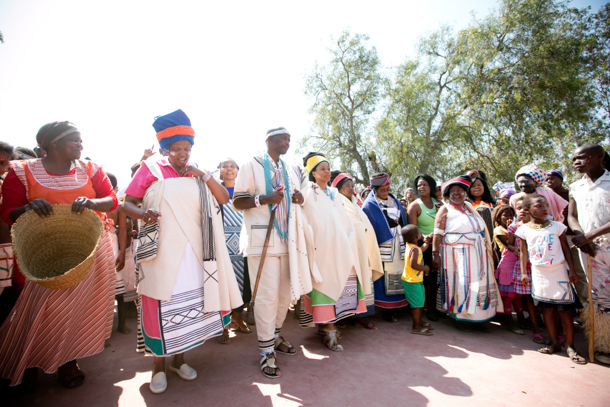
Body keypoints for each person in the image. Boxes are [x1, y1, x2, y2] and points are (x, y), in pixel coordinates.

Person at [123, 110, 242, 394]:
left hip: (195, 252)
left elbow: (224, 199)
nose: (182, 154)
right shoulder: (150, 169)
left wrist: (204, 175)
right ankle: (157, 368)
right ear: (164, 150)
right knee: (162, 306)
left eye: (186, 149)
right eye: (176, 149)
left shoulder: (198, 172)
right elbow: (126, 203)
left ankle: (179, 360)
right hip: (163, 254)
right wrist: (143, 213)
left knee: (190, 306)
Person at [0, 121, 118, 388]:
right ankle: (29, 360)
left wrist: (92, 203)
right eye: (74, 140)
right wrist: (28, 208)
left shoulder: (90, 169)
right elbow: (7, 211)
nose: (80, 145)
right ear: (53, 144)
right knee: (43, 308)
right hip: (44, 250)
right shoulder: (22, 171)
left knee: (76, 310)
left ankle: (67, 361)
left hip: (89, 249)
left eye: (81, 140)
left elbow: (111, 200)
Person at [232, 127, 312, 379]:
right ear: (269, 140)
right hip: (262, 240)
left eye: (289, 138)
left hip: (289, 241)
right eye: (282, 138)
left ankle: (275, 337)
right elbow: (237, 201)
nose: (287, 141)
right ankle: (266, 350)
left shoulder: (291, 169)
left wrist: (299, 198)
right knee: (266, 296)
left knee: (282, 297)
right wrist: (262, 199)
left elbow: (302, 199)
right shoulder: (251, 165)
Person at [298, 154, 367, 351]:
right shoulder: (307, 193)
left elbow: (342, 219)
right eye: (322, 169)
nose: (327, 172)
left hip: (342, 246)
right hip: (321, 249)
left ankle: (328, 327)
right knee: (324, 283)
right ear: (313, 173)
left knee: (340, 282)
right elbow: (307, 217)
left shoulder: (335, 193)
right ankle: (328, 330)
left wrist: (350, 237)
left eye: (329, 168)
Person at [515, 194, 585, 364]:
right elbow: (523, 252)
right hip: (539, 274)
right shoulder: (523, 230)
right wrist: (524, 272)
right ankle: (554, 342)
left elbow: (566, 249)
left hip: (559, 272)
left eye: (545, 205)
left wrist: (572, 271)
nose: (544, 208)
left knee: (565, 310)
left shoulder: (557, 227)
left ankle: (570, 346)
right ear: (527, 210)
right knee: (547, 310)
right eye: (539, 206)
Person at [432, 175, 501, 331]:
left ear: (465, 192)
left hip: (477, 253)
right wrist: (436, 253)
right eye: (453, 191)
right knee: (460, 284)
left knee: (478, 283)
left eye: (460, 191)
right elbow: (437, 233)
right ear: (448, 195)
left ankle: (478, 318)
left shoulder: (470, 207)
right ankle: (460, 318)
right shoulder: (445, 208)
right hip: (456, 255)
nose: (457, 194)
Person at [568, 144, 610, 365]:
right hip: (590, 250)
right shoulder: (575, 187)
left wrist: (591, 234)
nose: (577, 162)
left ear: (599, 156)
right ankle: (604, 344)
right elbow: (571, 216)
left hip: (603, 242)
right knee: (599, 296)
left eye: (581, 158)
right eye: (574, 159)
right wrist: (580, 236)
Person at [331, 171, 383, 330]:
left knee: (363, 283)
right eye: (347, 186)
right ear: (338, 188)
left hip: (362, 250)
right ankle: (342, 316)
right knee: (347, 284)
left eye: (352, 186)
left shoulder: (355, 203)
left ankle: (360, 316)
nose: (351, 188)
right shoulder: (335, 203)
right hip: (347, 251)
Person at [362, 173, 408, 323]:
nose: (385, 192)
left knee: (399, 272)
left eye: (387, 189)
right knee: (384, 274)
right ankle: (386, 309)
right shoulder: (370, 205)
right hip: (382, 245)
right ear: (374, 189)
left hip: (398, 242)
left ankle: (398, 306)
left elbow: (402, 219)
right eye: (382, 190)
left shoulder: (394, 200)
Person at [217, 157, 252, 345]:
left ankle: (238, 319)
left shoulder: (244, 190)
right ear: (220, 171)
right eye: (225, 166)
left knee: (244, 282)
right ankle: (222, 326)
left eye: (232, 166)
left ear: (238, 171)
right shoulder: (214, 191)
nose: (229, 169)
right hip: (222, 243)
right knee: (223, 284)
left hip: (243, 241)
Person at [545, 169, 588, 302]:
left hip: (571, 237)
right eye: (546, 179)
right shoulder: (544, 196)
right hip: (552, 238)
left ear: (561, 179)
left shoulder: (570, 194)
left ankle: (585, 305)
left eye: (553, 178)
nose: (549, 181)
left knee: (578, 271)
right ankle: (566, 303)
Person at [509, 196, 543, 343]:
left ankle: (553, 329)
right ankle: (536, 330)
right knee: (529, 299)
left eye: (525, 208)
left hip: (542, 266)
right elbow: (510, 244)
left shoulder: (543, 225)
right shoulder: (515, 227)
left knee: (545, 301)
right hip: (524, 266)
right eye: (518, 208)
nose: (522, 211)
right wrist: (514, 249)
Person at [407, 174, 439, 322]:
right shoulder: (414, 206)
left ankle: (438, 307)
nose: (421, 187)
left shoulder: (438, 204)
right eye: (419, 185)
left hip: (439, 246)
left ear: (431, 186)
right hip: (423, 247)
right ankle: (429, 309)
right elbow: (413, 230)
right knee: (428, 280)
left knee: (438, 278)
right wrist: (426, 236)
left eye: (425, 184)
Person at [106, 172, 134, 334]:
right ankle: (103, 330)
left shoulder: (119, 206)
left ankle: (121, 325)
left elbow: (122, 231)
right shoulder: (92, 204)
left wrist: (122, 252)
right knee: (103, 291)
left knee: (120, 290)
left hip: (115, 248)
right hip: (100, 249)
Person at [492, 204, 525, 335]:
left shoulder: (517, 227)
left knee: (517, 296)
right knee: (508, 296)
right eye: (505, 215)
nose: (508, 218)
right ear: (498, 218)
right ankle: (509, 321)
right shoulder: (499, 230)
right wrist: (512, 229)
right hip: (507, 265)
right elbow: (509, 245)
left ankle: (521, 319)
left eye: (511, 215)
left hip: (517, 264)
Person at [401, 225, 433, 336]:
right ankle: (415, 327)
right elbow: (413, 264)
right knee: (417, 304)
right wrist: (426, 268)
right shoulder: (414, 249)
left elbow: (422, 249)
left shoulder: (411, 246)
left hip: (415, 280)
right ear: (416, 237)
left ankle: (419, 321)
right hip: (412, 281)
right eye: (419, 233)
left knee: (420, 301)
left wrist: (427, 243)